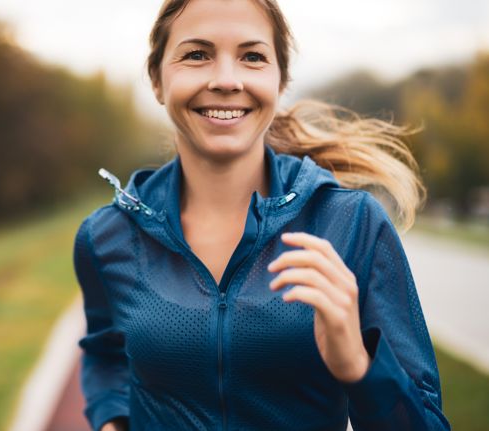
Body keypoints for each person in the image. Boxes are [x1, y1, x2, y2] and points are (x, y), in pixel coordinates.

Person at [73, 0, 452, 429]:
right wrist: (112, 420)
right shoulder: (106, 237)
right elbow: (107, 355)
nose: (226, 80)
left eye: (252, 57)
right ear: (157, 80)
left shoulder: (352, 225)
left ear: (280, 81)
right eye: (197, 55)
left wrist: (359, 368)